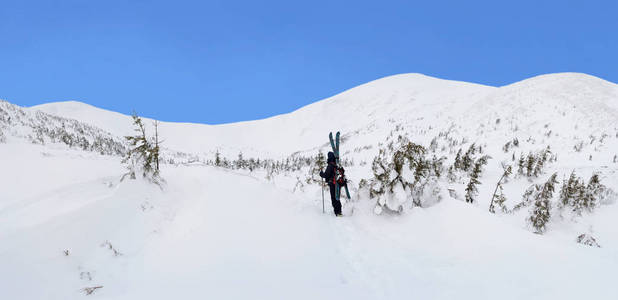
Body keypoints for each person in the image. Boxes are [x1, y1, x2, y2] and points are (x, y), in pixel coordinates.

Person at [320, 151, 342, 216]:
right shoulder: (336, 165)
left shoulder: (330, 165)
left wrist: (321, 174)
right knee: (337, 197)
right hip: (338, 183)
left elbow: (326, 175)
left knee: (333, 198)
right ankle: (339, 211)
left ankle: (337, 212)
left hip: (332, 184)